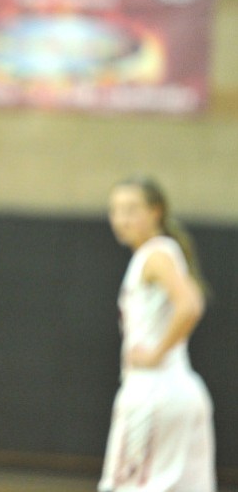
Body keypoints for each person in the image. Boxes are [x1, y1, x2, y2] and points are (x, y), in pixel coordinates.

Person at [99, 176, 216, 492]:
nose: (122, 219)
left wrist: (155, 352)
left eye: (131, 209)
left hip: (153, 394)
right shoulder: (161, 252)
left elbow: (190, 305)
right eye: (116, 210)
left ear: (156, 212)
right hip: (184, 392)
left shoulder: (155, 255)